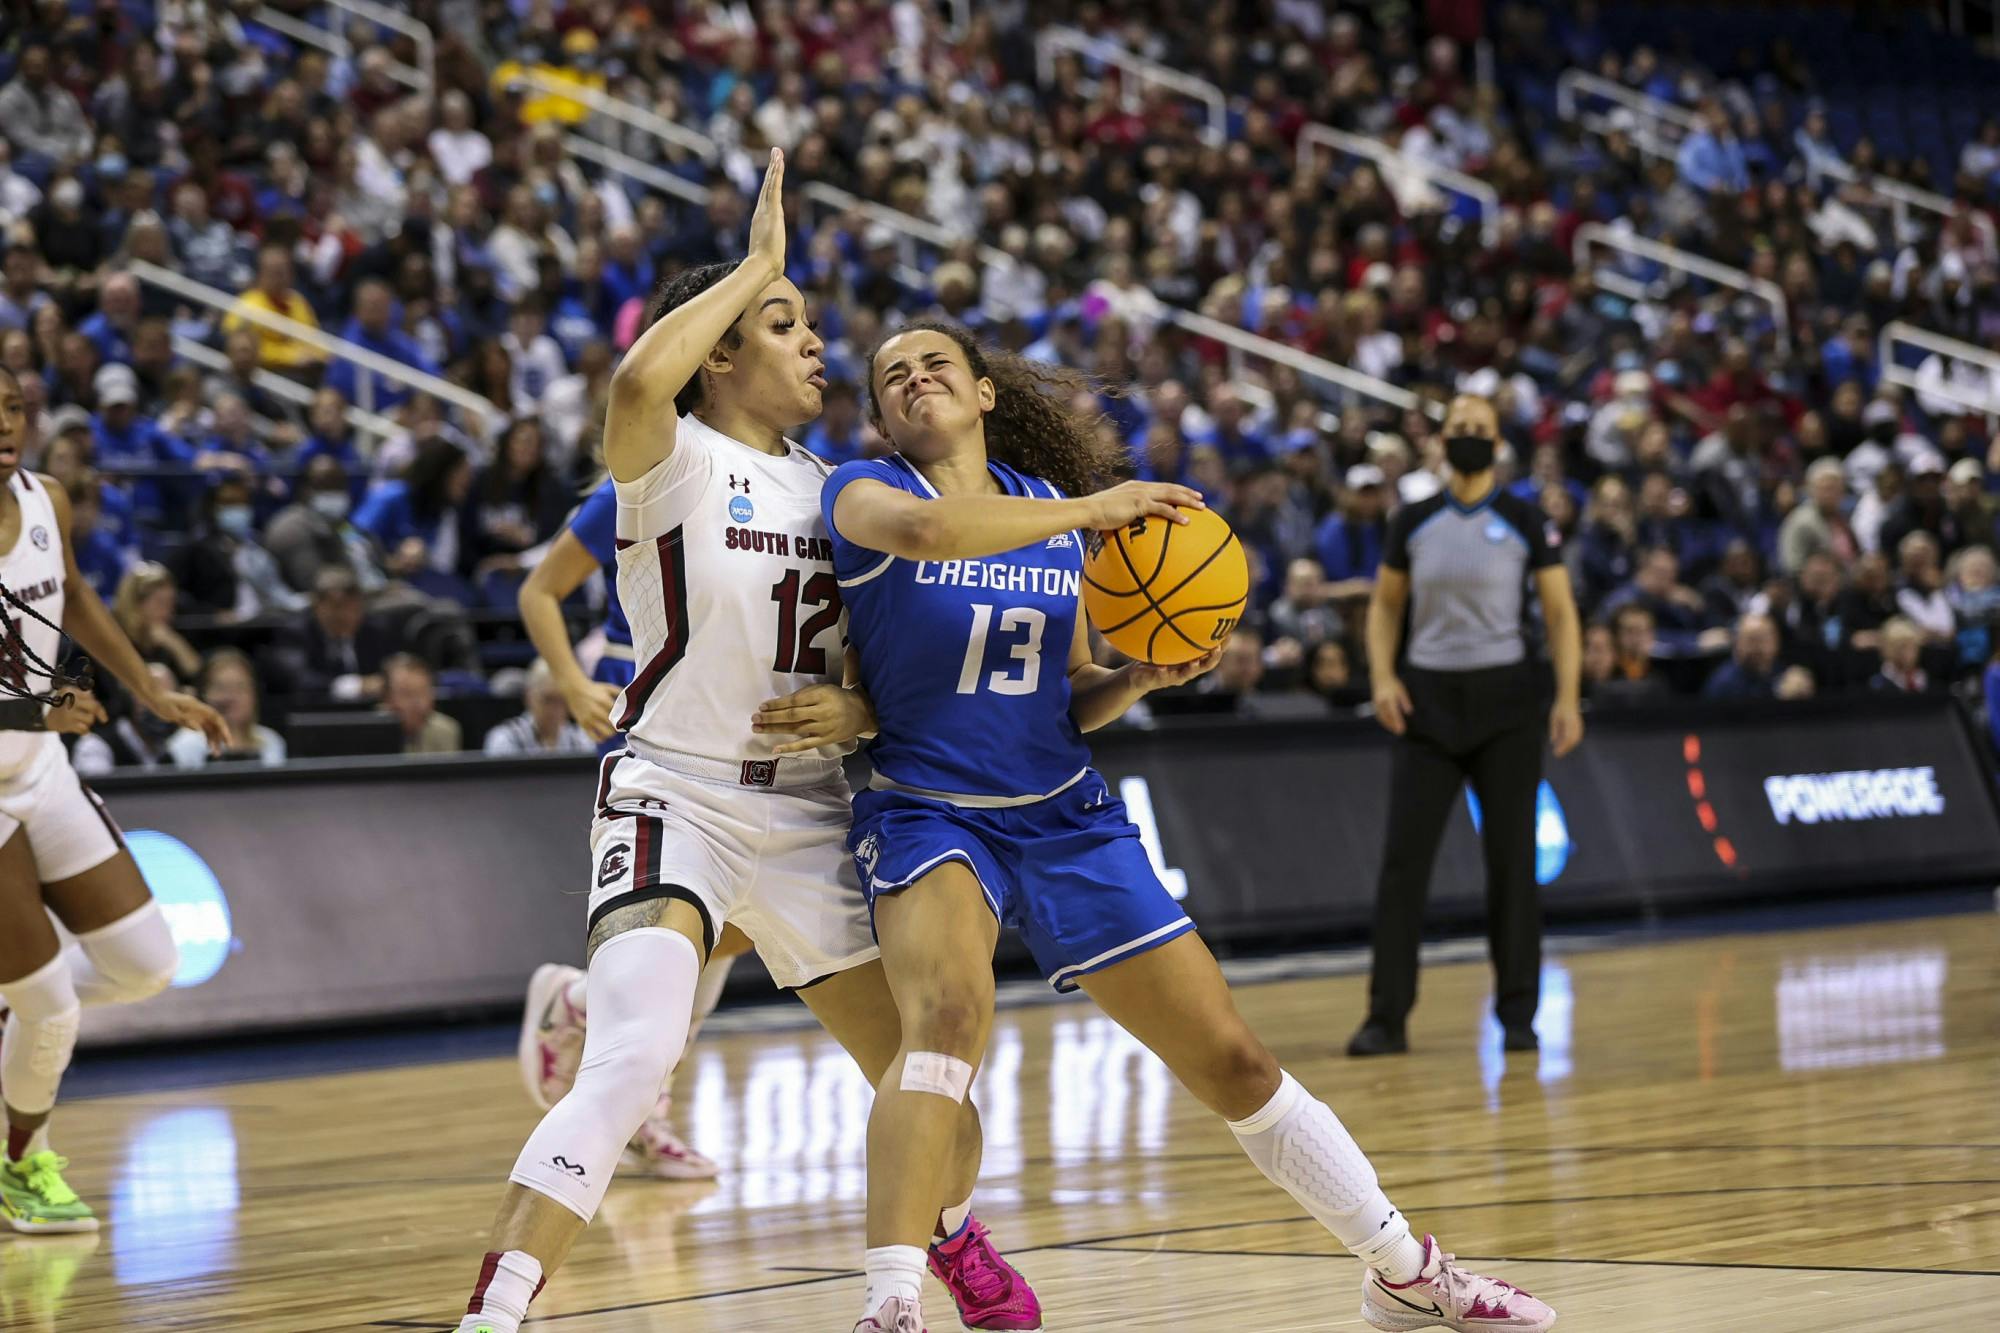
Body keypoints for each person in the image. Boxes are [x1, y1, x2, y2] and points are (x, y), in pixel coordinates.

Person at [820, 320, 1556, 1333]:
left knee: (1235, 1061)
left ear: (983, 393)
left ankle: (1402, 1270)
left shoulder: (1047, 518)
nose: (913, 379)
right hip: (924, 808)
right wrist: (1100, 505)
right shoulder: (863, 493)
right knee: (944, 1019)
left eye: (933, 363)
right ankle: (890, 1304)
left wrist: (1135, 675)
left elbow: (1064, 695)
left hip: (1062, 813)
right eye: (891, 375)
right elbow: (931, 537)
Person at [450, 152, 1036, 1333]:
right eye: (784, 324)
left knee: (940, 1107)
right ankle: (495, 1315)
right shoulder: (667, 459)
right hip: (677, 795)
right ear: (718, 353)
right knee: (631, 1055)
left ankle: (950, 1229)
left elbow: (896, 661)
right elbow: (631, 381)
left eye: (811, 323)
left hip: (816, 814)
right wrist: (753, 263)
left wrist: (864, 710)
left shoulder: (840, 488)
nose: (815, 344)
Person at [0, 362, 228, 1234]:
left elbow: (78, 595)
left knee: (148, 964)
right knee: (51, 1003)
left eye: (15, 407)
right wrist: (35, 705)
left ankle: (12, 1007)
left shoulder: (47, 500)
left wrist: (149, 690)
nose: (6, 423)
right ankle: (22, 1163)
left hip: (37, 767)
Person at [510, 470, 749, 1180]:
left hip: (730, 718)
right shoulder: (642, 482)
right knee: (680, 923)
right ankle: (648, 1108)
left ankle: (578, 1000)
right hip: (649, 712)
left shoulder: (774, 476)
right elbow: (539, 590)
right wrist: (573, 681)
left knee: (729, 930)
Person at [1351, 394, 1584, 1059]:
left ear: (1498, 441)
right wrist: (1383, 678)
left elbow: (1561, 613)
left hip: (1507, 705)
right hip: (1427, 703)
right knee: (1404, 867)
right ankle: (1385, 1018)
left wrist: (1568, 696)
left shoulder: (1524, 518)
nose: (1471, 437)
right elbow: (1385, 606)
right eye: (1460, 429)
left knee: (1512, 866)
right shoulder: (1414, 519)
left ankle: (1518, 1016)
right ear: (1441, 440)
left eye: (1482, 429)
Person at [267, 567, 396, 699]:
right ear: (316, 605)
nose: (347, 615)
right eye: (337, 607)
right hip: (315, 712)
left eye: (354, 608)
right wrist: (353, 686)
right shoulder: (294, 633)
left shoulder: (374, 630)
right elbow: (297, 679)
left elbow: (393, 673)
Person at [167, 649, 287, 767]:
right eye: (221, 688)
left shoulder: (271, 741)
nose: (231, 697)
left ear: (254, 694)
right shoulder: (187, 743)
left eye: (240, 687)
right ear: (204, 695)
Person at [483, 659, 595, 756]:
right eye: (548, 700)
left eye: (562, 701)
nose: (555, 709)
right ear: (529, 697)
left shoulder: (581, 740)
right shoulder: (505, 738)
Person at [381, 653, 462, 753]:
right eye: (408, 694)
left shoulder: (445, 731)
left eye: (423, 693)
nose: (417, 703)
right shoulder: (369, 733)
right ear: (387, 698)